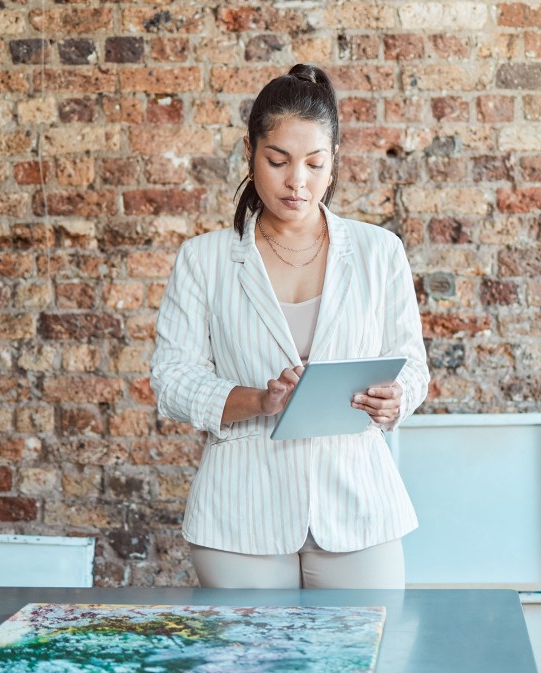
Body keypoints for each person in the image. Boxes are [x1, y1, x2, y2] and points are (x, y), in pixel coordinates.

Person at [150, 64, 430, 589]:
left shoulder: (379, 252)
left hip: (358, 506)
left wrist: (398, 397)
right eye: (278, 161)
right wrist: (259, 400)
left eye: (314, 163)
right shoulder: (204, 260)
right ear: (250, 154)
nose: (296, 181)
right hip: (240, 511)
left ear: (333, 165)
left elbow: (412, 365)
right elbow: (171, 380)